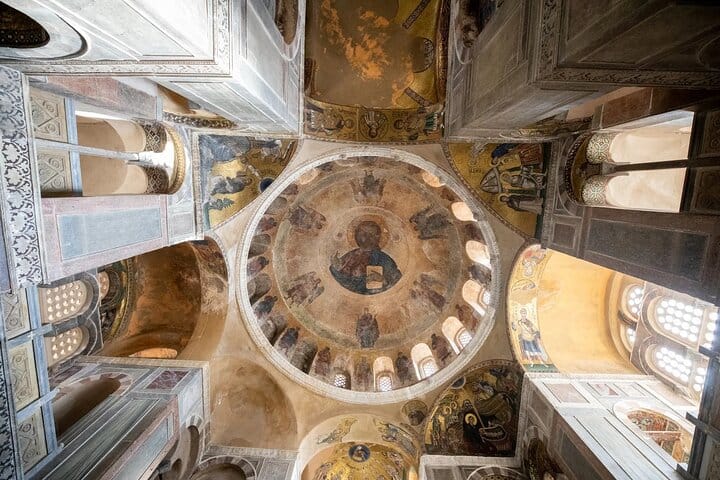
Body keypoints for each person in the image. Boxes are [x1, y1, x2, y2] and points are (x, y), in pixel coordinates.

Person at [330, 221, 401, 294]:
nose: (365, 237)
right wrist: (336, 267)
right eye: (361, 233)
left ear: (377, 237)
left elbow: (397, 281)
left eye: (370, 234)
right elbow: (341, 281)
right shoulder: (350, 255)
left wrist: (383, 280)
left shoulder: (384, 259)